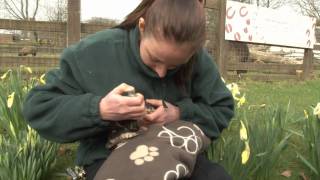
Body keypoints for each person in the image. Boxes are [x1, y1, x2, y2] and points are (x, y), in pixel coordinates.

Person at [23, 0, 235, 179]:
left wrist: (179, 114)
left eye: (173, 66)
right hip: (108, 158)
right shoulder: (93, 52)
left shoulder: (198, 59)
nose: (161, 74)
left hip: (177, 153)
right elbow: (38, 107)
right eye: (154, 60)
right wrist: (100, 110)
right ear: (142, 27)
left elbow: (222, 110)